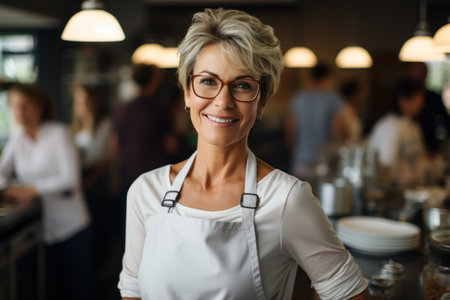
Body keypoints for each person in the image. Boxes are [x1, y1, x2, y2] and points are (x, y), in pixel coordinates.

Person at [118, 8, 369, 300]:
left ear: (261, 103)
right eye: (208, 81)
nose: (223, 102)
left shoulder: (288, 200)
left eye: (242, 85)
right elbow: (133, 292)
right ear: (187, 92)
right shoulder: (145, 191)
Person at [0, 83, 92, 300]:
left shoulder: (58, 133)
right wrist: (9, 188)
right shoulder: (17, 139)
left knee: (81, 288)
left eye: (26, 106)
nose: (20, 112)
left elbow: (71, 179)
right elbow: (1, 173)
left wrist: (31, 190)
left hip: (72, 226)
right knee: (52, 290)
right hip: (44, 228)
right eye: (15, 106)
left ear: (39, 107)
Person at [71, 82, 114, 290]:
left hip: (97, 182)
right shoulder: (74, 128)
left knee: (98, 230)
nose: (83, 105)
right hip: (79, 182)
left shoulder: (104, 125)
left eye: (86, 101)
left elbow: (106, 158)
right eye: (79, 101)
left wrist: (92, 179)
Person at [286, 62, 348, 181]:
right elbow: (340, 127)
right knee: (321, 197)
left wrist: (293, 152)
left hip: (301, 159)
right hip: (323, 159)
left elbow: (291, 130)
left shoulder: (298, 98)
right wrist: (346, 146)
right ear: (328, 77)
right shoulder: (333, 98)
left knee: (299, 196)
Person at [369, 78, 427, 188]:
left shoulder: (413, 125)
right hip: (397, 193)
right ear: (403, 101)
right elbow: (386, 167)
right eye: (418, 97)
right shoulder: (390, 127)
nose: (421, 102)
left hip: (414, 190)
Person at [407, 62, 449, 155]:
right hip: (410, 143)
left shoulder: (434, 97)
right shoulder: (400, 123)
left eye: (421, 75)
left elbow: (446, 121)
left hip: (430, 143)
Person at [339, 79, 364, 143]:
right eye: (360, 93)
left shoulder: (352, 108)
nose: (362, 96)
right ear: (353, 94)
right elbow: (342, 133)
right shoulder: (343, 109)